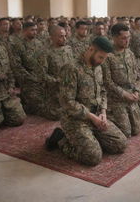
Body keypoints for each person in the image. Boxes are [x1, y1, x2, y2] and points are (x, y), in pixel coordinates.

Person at [46, 36, 127, 166]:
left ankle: (90, 139)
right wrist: (92, 117)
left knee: (121, 144)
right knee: (93, 157)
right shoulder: (71, 68)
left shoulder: (98, 67)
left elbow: (102, 92)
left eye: (105, 58)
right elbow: (67, 102)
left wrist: (103, 113)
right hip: (76, 119)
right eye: (101, 57)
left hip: (96, 117)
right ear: (90, 49)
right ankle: (61, 139)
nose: (102, 61)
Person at [102, 24, 140, 137]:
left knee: (136, 130)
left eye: (128, 37)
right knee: (126, 133)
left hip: (131, 96)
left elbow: (138, 76)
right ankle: (107, 117)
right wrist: (124, 94)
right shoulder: (108, 56)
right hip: (116, 99)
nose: (127, 40)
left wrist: (136, 91)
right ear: (114, 38)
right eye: (123, 38)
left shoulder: (129, 53)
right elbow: (107, 82)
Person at [40, 25, 73, 120]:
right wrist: (56, 81)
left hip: (70, 86)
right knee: (58, 115)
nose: (64, 38)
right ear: (52, 37)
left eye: (65, 36)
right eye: (61, 36)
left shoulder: (68, 49)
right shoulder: (46, 53)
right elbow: (42, 75)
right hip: (55, 89)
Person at [12, 22, 45, 116]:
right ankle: (25, 103)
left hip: (41, 77)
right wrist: (30, 77)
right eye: (32, 30)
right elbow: (17, 66)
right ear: (25, 31)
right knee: (37, 108)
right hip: (28, 80)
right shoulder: (18, 45)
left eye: (36, 30)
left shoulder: (39, 43)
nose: (35, 32)